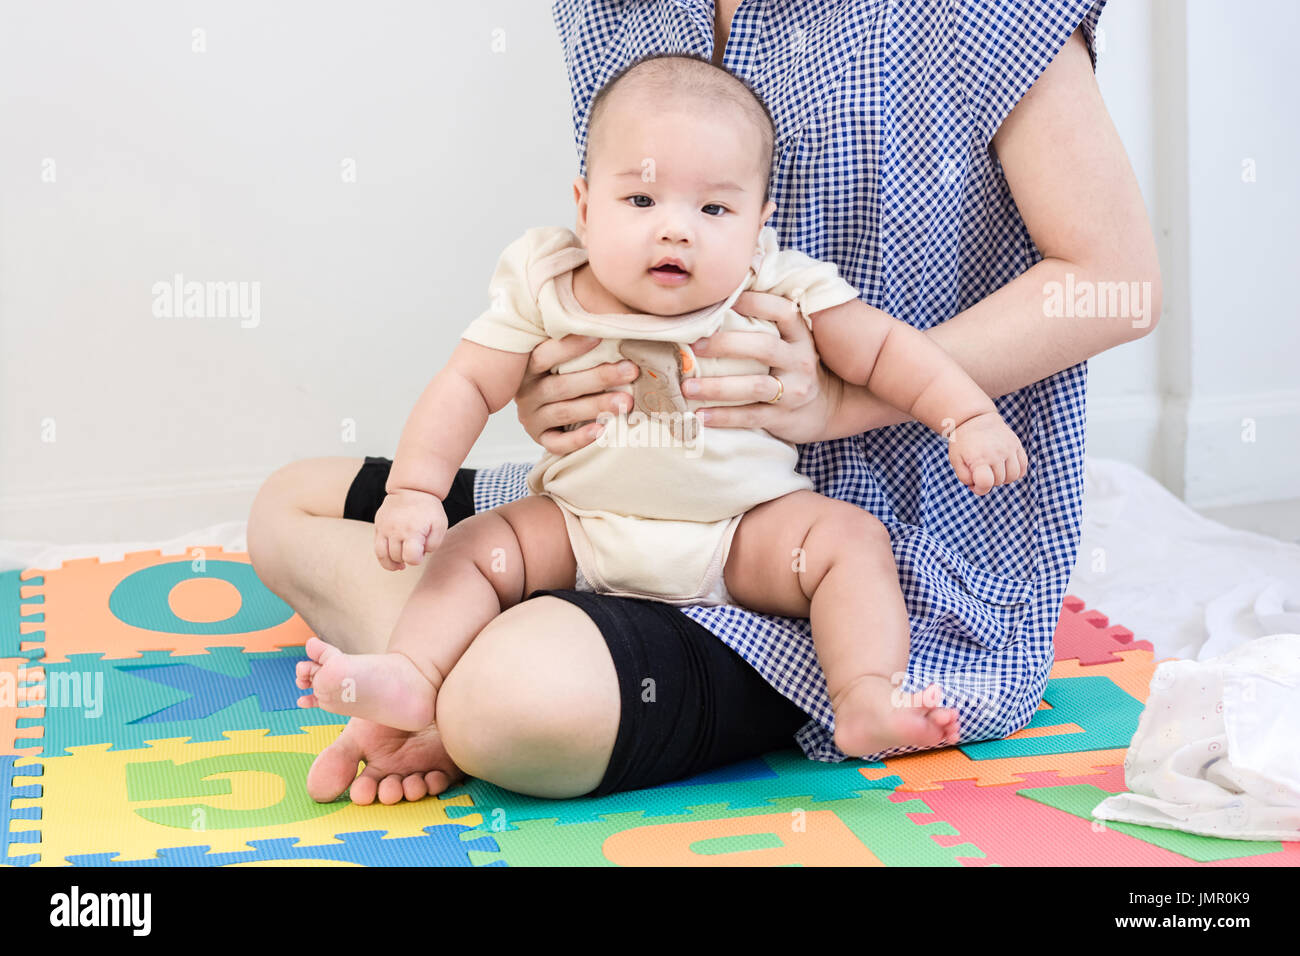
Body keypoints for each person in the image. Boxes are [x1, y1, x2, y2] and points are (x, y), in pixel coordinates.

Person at [247, 0, 1159, 806]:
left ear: (757, 221)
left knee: (511, 704)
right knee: (289, 503)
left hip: (773, 532)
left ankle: (471, 678)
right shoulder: (588, 111)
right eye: (649, 198)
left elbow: (1116, 283)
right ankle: (431, 667)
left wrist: (850, 402)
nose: (676, 224)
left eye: (712, 212)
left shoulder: (796, 269)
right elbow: (486, 366)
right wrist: (543, 391)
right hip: (594, 506)